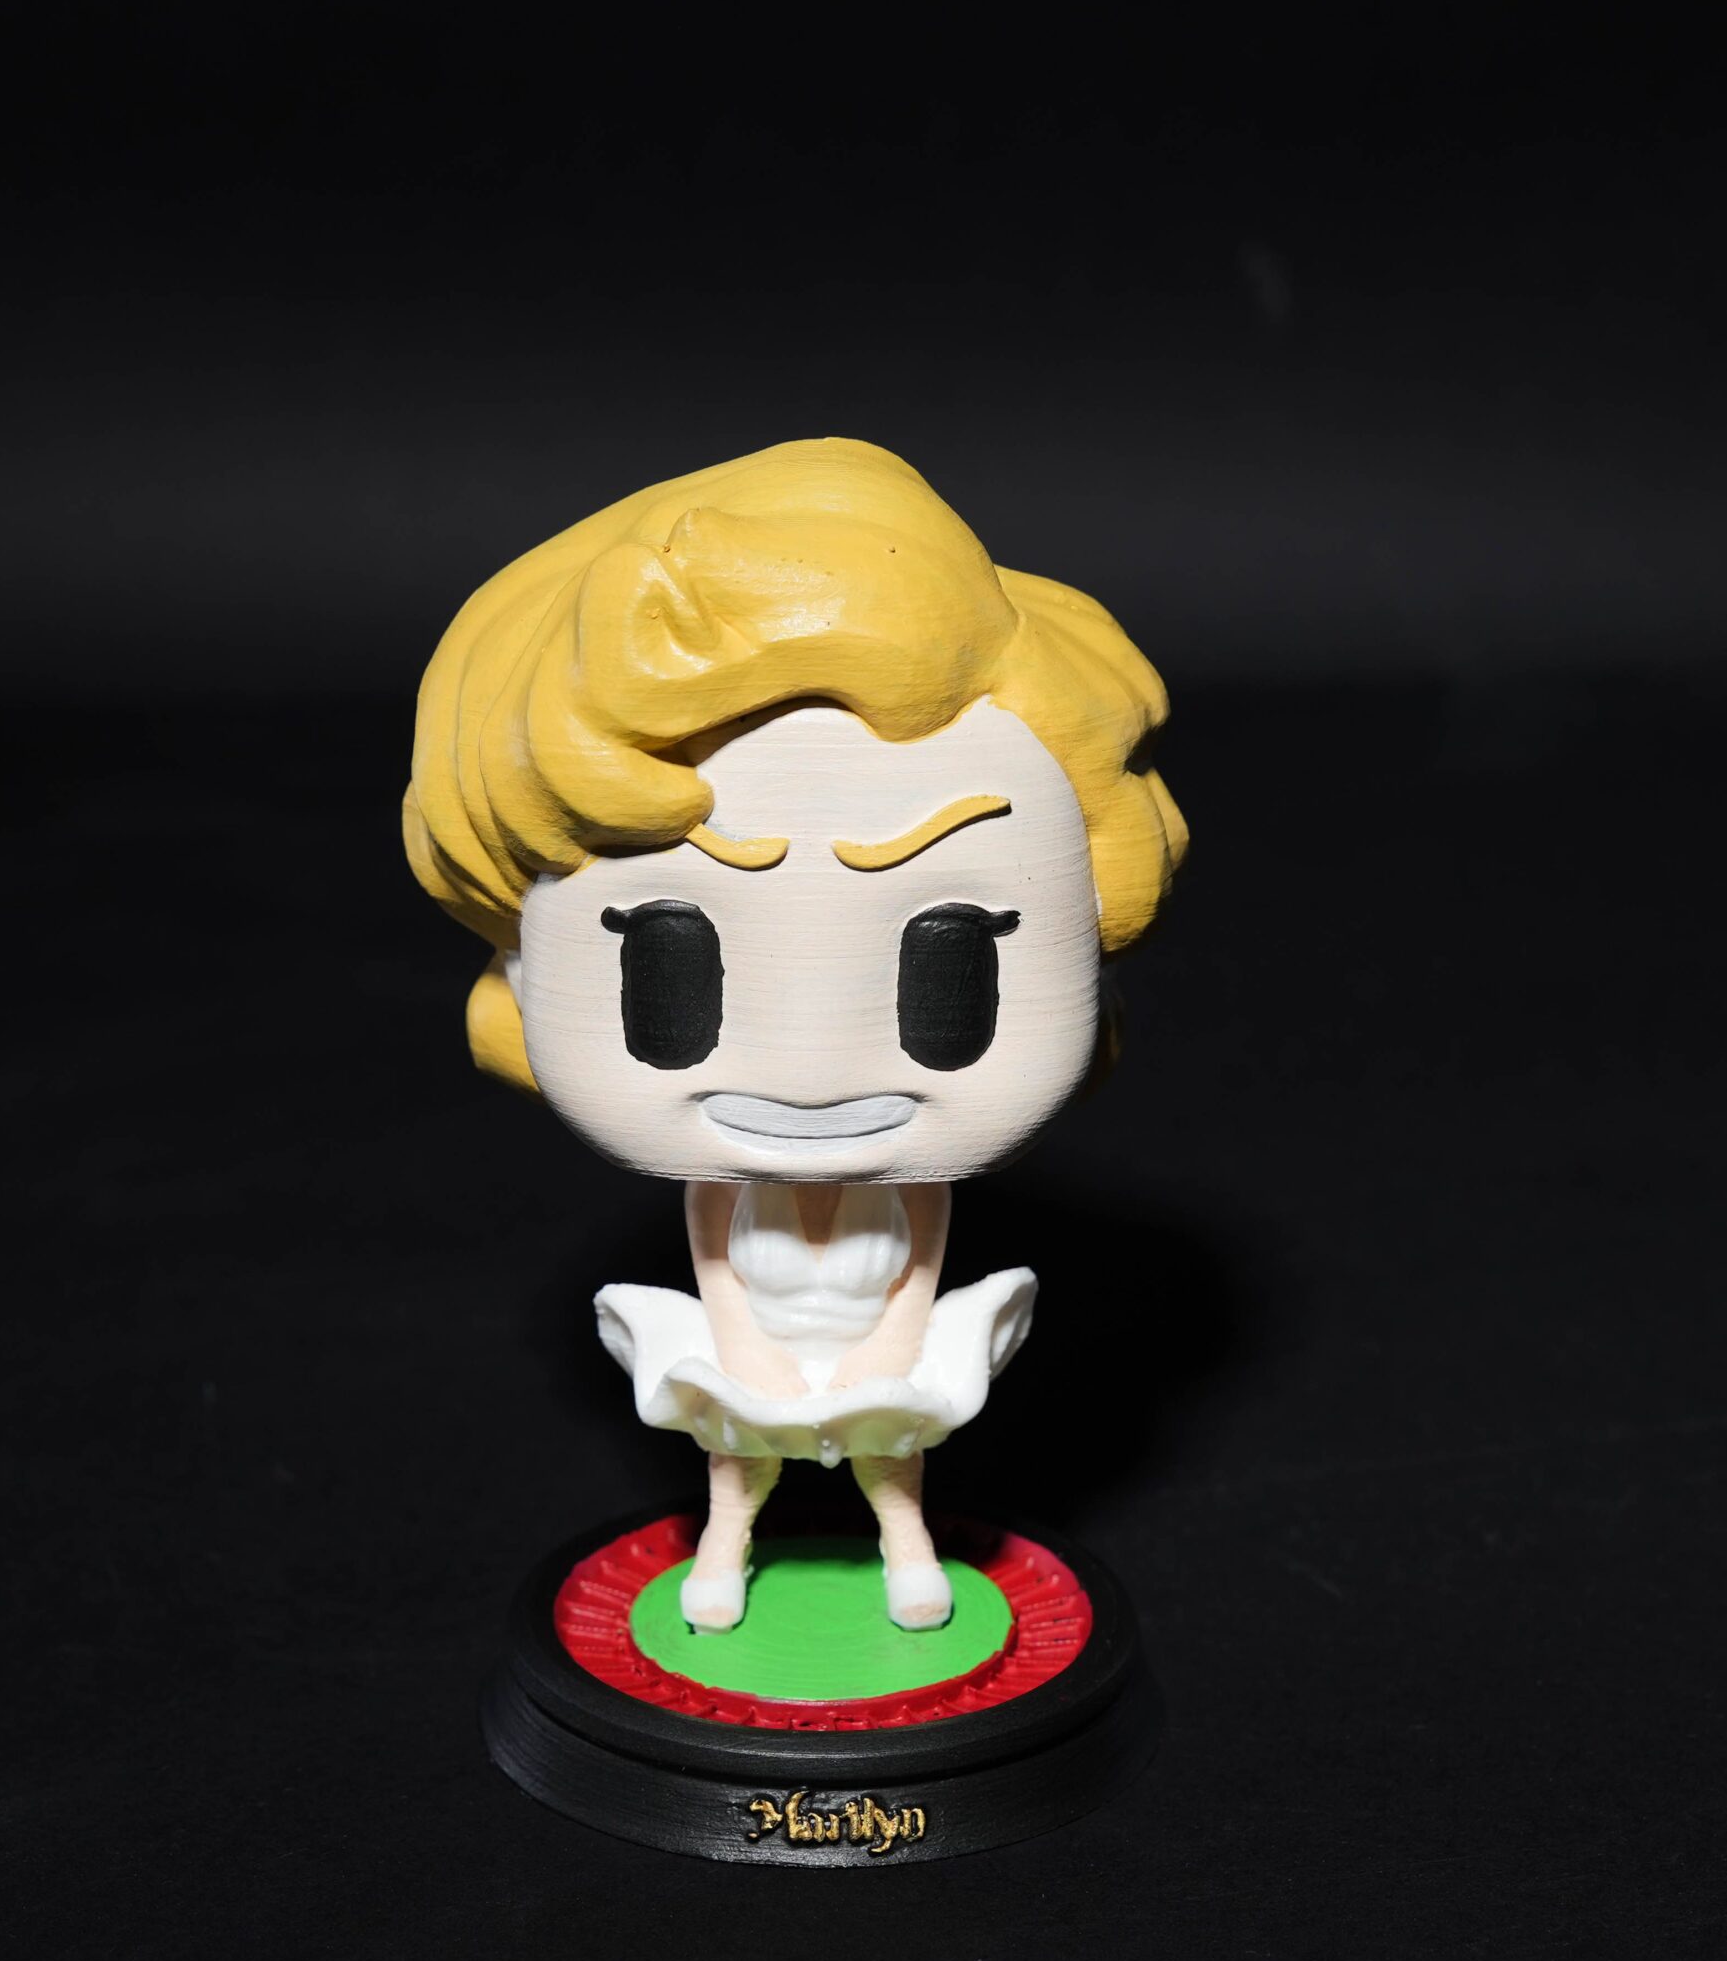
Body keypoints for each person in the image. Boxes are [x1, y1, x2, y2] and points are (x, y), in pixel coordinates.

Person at [405, 439, 1184, 1630]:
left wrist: (887, 1351)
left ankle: (905, 1549)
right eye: (666, 965)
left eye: (951, 960)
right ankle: (724, 1549)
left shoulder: (911, 1182)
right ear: (517, 963)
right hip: (755, 1340)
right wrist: (752, 1359)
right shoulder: (725, 1187)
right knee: (735, 1454)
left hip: (872, 1340)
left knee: (892, 1451)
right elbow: (712, 1251)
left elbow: (920, 1254)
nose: (813, 1075)